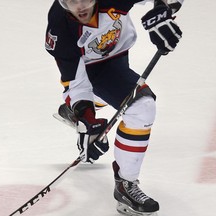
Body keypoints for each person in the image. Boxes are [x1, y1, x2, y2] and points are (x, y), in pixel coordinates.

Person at [45, 0, 183, 215]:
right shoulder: (59, 27)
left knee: (115, 98)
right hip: (90, 68)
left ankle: (83, 112)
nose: (81, 6)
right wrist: (87, 118)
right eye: (72, 0)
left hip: (117, 57)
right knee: (142, 107)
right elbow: (75, 82)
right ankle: (125, 183)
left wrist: (161, 11)